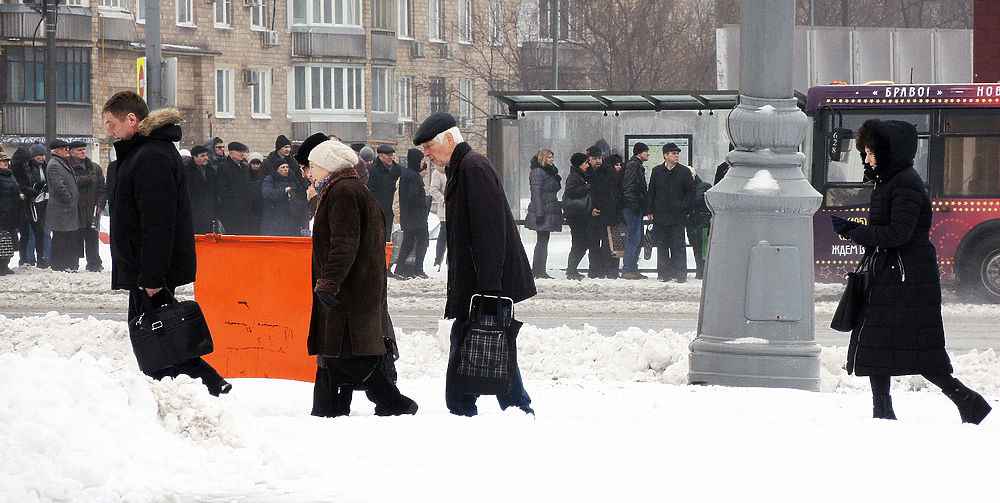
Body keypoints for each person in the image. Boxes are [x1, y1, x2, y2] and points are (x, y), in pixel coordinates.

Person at [832, 119, 991, 424]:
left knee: (919, 350)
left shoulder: (905, 183)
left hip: (906, 279)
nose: (867, 159)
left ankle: (967, 401)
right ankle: (883, 411)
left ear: (889, 151)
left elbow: (898, 234)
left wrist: (854, 231)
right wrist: (858, 232)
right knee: (877, 346)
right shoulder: (889, 181)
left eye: (870, 152)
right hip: (892, 276)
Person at [102, 90, 230, 396]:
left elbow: (158, 223)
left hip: (151, 269)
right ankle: (198, 388)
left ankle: (205, 386)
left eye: (111, 123)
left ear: (131, 120)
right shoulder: (141, 154)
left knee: (158, 336)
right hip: (145, 267)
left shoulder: (151, 156)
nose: (108, 130)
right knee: (160, 336)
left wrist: (152, 277)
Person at [414, 112, 535, 417]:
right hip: (477, 282)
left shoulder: (473, 168)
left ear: (450, 139)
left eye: (430, 145)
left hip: (483, 283)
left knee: (480, 341)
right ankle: (512, 406)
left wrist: (490, 288)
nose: (426, 153)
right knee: (488, 341)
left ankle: (472, 408)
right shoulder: (462, 168)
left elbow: (490, 231)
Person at [307, 138, 418, 418]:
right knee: (335, 354)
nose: (310, 172)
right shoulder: (347, 188)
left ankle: (392, 403)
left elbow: (345, 243)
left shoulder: (343, 192)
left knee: (344, 355)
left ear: (328, 166)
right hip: (355, 287)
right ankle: (328, 409)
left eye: (313, 166)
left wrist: (329, 281)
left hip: (348, 290)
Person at [647, 143, 694, 283]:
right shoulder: (657, 171)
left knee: (678, 245)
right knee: (662, 245)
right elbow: (651, 192)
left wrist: (683, 207)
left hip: (677, 216)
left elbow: (691, 193)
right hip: (660, 215)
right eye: (673, 153)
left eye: (677, 153)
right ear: (665, 155)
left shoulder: (684, 172)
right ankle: (664, 273)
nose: (676, 155)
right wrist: (649, 210)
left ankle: (680, 273)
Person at [525, 149, 562, 279]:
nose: (552, 159)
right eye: (549, 157)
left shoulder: (548, 172)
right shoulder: (538, 172)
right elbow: (536, 193)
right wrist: (540, 213)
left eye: (552, 157)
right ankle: (538, 270)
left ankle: (540, 270)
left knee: (543, 241)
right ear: (543, 158)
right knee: (542, 241)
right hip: (543, 210)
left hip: (547, 209)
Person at [69, 141, 106, 272]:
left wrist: (101, 204)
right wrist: (87, 179)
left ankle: (94, 263)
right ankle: (73, 263)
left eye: (84, 149)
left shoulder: (95, 167)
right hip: (76, 209)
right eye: (79, 150)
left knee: (92, 236)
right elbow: (71, 184)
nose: (83, 152)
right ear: (71, 152)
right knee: (75, 237)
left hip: (92, 208)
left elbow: (102, 188)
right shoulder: (68, 167)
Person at [394, 148, 431, 279]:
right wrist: (424, 202)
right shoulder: (413, 176)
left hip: (410, 217)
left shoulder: (408, 174)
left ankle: (401, 269)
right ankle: (417, 269)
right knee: (422, 242)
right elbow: (412, 196)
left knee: (408, 243)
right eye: (421, 160)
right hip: (416, 217)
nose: (423, 162)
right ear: (416, 160)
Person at [45, 140, 81, 272]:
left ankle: (68, 264)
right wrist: (69, 199)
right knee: (61, 237)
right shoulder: (54, 164)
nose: (67, 150)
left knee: (68, 237)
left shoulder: (62, 163)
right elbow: (59, 186)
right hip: (62, 209)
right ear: (56, 151)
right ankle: (59, 265)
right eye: (64, 148)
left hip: (68, 208)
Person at [12, 145, 49, 268]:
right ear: (33, 156)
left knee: (40, 232)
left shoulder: (44, 166)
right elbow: (22, 184)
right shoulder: (26, 166)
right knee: (26, 233)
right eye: (39, 155)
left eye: (43, 155)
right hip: (27, 203)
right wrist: (33, 190)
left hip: (41, 203)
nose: (42, 157)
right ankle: (25, 260)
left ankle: (41, 259)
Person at [563, 152, 598, 281]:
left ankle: (572, 269)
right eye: (585, 163)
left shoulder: (580, 175)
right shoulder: (574, 177)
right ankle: (571, 270)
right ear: (579, 164)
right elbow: (571, 192)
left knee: (581, 243)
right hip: (576, 215)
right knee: (579, 243)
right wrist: (587, 187)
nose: (587, 165)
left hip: (580, 214)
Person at [588, 146, 622, 279]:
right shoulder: (586, 172)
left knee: (609, 243)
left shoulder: (608, 172)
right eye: (594, 158)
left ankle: (609, 270)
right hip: (593, 215)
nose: (598, 161)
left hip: (608, 213)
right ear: (589, 159)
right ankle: (596, 270)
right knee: (594, 244)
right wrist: (590, 207)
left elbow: (614, 193)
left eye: (599, 158)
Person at [621, 143, 650, 280]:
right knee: (634, 238)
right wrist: (634, 204)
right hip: (632, 208)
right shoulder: (634, 166)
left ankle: (632, 268)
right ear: (639, 153)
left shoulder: (635, 165)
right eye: (646, 152)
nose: (648, 154)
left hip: (634, 207)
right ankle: (628, 269)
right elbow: (629, 186)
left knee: (636, 238)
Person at [216, 142, 255, 235]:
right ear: (231, 152)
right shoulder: (224, 167)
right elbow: (222, 189)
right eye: (239, 151)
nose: (242, 154)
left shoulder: (244, 167)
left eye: (243, 151)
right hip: (232, 211)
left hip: (245, 210)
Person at [261, 161, 309, 236]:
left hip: (292, 216)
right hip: (275, 215)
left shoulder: (293, 178)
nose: (286, 169)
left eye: (287, 167)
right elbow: (267, 193)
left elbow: (301, 192)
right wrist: (284, 191)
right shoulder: (270, 179)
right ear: (277, 169)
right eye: (283, 167)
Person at [368, 144, 401, 241]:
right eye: (388, 155)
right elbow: (370, 190)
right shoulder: (374, 170)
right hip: (379, 209)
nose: (391, 157)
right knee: (378, 236)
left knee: (389, 236)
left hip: (393, 208)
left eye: (392, 155)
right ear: (380, 156)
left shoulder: (397, 169)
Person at [185, 145, 218, 234]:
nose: (206, 158)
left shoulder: (210, 170)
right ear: (194, 157)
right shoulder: (187, 172)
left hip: (208, 211)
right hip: (194, 212)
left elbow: (214, 191)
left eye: (206, 155)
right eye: (202, 156)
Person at [686, 175, 712, 279]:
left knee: (699, 248)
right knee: (701, 248)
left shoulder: (693, 189)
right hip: (701, 221)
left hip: (698, 221)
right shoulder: (705, 186)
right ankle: (701, 271)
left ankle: (701, 271)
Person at [0, 151, 21, 275]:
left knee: (9, 241)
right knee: (2, 241)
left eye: (7, 161)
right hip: (2, 212)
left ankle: (5, 264)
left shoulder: (10, 175)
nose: (6, 163)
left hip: (11, 212)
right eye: (3, 161)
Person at [427, 157, 448, 270]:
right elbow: (433, 189)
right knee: (443, 234)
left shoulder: (455, 170)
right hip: (445, 208)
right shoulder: (438, 172)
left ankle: (450, 261)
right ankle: (438, 260)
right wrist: (443, 199)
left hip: (456, 208)